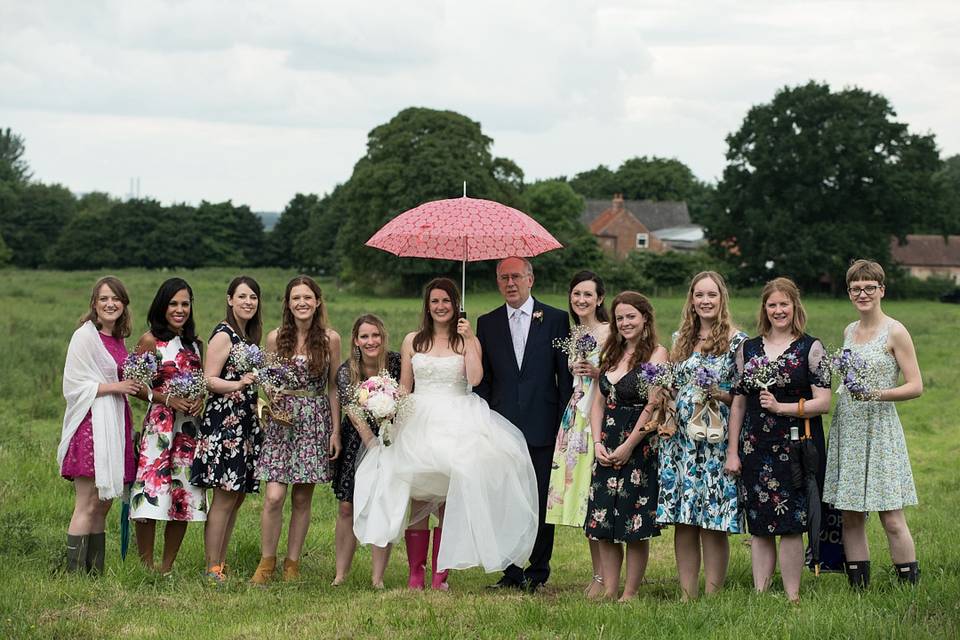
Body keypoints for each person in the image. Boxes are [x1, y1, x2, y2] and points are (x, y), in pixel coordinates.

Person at [353, 278, 539, 591]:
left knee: (446, 499)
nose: (440, 307)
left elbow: (476, 379)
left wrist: (468, 342)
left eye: (446, 302)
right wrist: (384, 402)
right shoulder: (414, 341)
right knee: (418, 494)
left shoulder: (467, 339)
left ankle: (441, 575)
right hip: (418, 419)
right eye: (435, 301)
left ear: (455, 305)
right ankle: (416, 575)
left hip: (458, 417)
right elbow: (405, 385)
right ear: (428, 306)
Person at [725, 277, 831, 603]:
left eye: (784, 304)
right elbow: (740, 401)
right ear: (765, 309)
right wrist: (732, 451)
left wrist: (782, 407)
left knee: (790, 523)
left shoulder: (812, 348)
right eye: (772, 305)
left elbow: (824, 402)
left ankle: (792, 595)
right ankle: (760, 593)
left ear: (794, 306)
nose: (778, 310)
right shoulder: (748, 349)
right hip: (755, 446)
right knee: (758, 523)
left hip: (796, 447)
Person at [476, 257, 573, 593]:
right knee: (506, 499)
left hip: (543, 423)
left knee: (539, 498)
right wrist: (486, 418)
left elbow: (565, 377)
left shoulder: (556, 319)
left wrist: (564, 423)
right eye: (504, 278)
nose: (510, 283)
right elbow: (483, 379)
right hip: (501, 426)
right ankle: (510, 570)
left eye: (516, 276)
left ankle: (538, 570)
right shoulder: (486, 323)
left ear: (531, 279)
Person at [824, 259, 923, 588]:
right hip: (849, 426)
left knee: (891, 516)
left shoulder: (895, 330)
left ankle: (908, 586)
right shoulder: (849, 331)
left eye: (869, 287)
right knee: (851, 514)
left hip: (879, 428)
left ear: (882, 290)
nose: (862, 293)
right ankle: (859, 588)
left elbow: (915, 385)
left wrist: (876, 394)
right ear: (849, 293)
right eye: (856, 288)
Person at [656, 271, 747, 600]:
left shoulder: (738, 342)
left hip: (715, 440)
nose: (705, 301)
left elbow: (741, 397)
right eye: (699, 295)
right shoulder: (681, 337)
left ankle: (712, 593)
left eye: (711, 295)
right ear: (691, 301)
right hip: (680, 441)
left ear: (722, 299)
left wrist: (716, 392)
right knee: (685, 518)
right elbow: (675, 383)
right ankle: (686, 593)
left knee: (712, 518)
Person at [250, 276, 341, 584]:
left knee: (302, 499)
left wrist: (335, 430)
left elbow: (333, 388)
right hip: (281, 420)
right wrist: (271, 394)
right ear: (288, 304)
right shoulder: (276, 337)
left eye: (308, 297)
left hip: (314, 419)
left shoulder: (331, 339)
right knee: (274, 496)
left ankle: (292, 563)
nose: (302, 302)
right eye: (295, 298)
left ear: (317, 302)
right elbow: (267, 377)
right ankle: (267, 561)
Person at [584, 292, 667, 601]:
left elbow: (653, 404)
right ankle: (609, 588)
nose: (625, 322)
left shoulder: (656, 354)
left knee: (634, 523)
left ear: (645, 317)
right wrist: (597, 443)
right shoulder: (610, 353)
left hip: (638, 447)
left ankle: (629, 593)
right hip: (606, 445)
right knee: (602, 521)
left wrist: (629, 445)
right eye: (620, 318)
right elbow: (597, 403)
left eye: (631, 316)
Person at [58, 276, 139, 574]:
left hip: (115, 423)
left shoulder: (118, 339)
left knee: (104, 503)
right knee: (87, 502)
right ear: (94, 303)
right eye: (104, 298)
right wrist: (117, 387)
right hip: (91, 425)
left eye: (116, 298)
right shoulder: (85, 335)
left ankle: (95, 571)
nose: (110, 303)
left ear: (123, 304)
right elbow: (74, 385)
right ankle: (74, 572)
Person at [130, 278, 207, 574]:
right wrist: (166, 399)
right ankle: (146, 567)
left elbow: (200, 383)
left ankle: (166, 567)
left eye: (185, 304)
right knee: (150, 494)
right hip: (159, 429)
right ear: (162, 306)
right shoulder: (151, 340)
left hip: (187, 430)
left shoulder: (194, 345)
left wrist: (199, 398)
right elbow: (135, 385)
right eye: (173, 303)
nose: (180, 309)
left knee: (181, 497)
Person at [190, 276, 264, 583]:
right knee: (224, 495)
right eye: (243, 296)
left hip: (245, 421)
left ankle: (221, 560)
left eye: (253, 298)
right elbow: (209, 379)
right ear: (230, 299)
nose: (248, 302)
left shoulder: (246, 335)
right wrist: (238, 384)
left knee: (237, 496)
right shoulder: (223, 334)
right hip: (225, 422)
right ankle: (211, 567)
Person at [544, 270, 610, 598]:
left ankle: (606, 577)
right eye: (576, 294)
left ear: (599, 299)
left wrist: (600, 372)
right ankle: (598, 575)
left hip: (599, 417)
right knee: (584, 499)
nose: (581, 300)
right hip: (575, 417)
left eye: (588, 294)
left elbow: (622, 375)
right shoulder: (575, 334)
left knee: (598, 496)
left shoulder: (610, 332)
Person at [331, 314, 401, 588]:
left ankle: (378, 577)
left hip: (391, 438)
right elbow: (354, 414)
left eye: (376, 336)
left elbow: (405, 397)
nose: (371, 341)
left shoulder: (394, 363)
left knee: (382, 502)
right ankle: (340, 573)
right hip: (355, 441)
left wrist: (387, 438)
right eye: (364, 336)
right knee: (347, 505)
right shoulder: (348, 371)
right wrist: (371, 443)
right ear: (356, 341)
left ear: (383, 338)